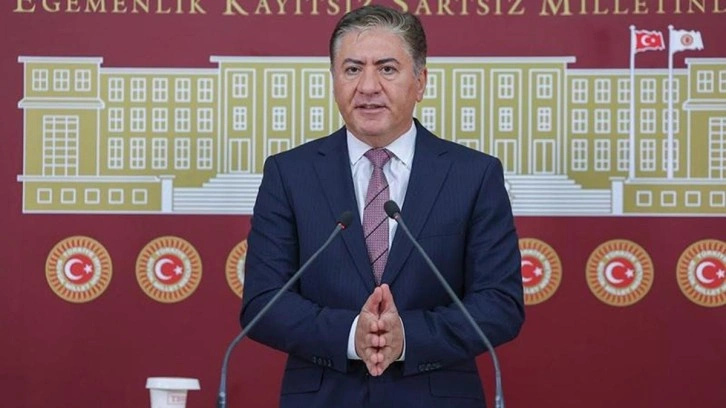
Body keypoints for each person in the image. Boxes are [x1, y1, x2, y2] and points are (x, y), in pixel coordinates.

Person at [241, 5, 524, 407]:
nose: (368, 86)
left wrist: (407, 336)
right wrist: (350, 334)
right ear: (334, 80)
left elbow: (499, 304)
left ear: (420, 82)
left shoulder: (474, 175)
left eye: (387, 69)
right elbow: (264, 303)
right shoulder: (290, 174)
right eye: (352, 69)